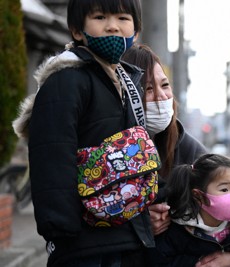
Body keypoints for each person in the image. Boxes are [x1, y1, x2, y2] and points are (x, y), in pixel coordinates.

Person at [12, 0, 154, 266]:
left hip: (121, 230)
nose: (113, 27)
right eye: (100, 17)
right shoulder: (66, 79)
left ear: (135, 31)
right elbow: (52, 155)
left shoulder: (124, 80)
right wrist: (62, 230)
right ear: (77, 31)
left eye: (123, 18)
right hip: (83, 242)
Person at [122, 45, 230, 267]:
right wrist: (136, 224)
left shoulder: (189, 149)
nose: (161, 97)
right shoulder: (109, 150)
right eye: (147, 89)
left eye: (165, 85)